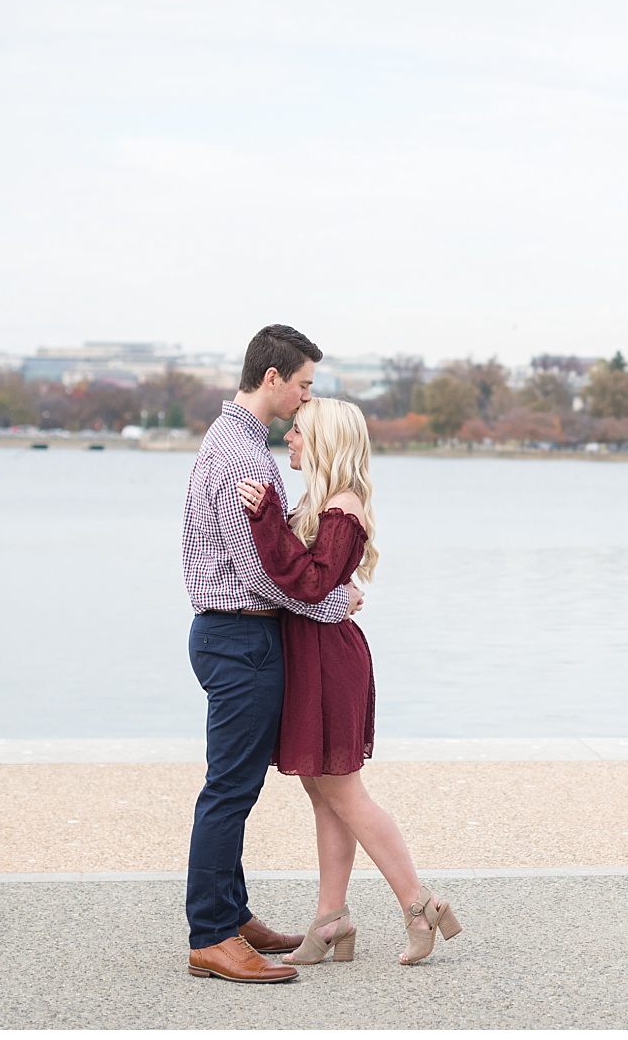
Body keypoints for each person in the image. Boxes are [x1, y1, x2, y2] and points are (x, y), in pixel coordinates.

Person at [237, 397, 463, 966]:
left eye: (299, 431)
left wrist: (264, 518)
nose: (288, 437)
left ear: (326, 440)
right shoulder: (321, 503)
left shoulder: (342, 507)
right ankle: (330, 918)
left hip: (329, 661)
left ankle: (420, 904)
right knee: (322, 791)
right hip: (310, 653)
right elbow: (316, 584)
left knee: (343, 791)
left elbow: (309, 583)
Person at [181, 324, 363, 984]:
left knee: (237, 785)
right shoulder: (238, 455)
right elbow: (257, 572)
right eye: (304, 384)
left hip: (239, 635)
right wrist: (329, 604)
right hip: (237, 634)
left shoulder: (237, 443)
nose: (305, 399)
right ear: (273, 376)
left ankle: (231, 913)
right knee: (228, 790)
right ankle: (211, 933)